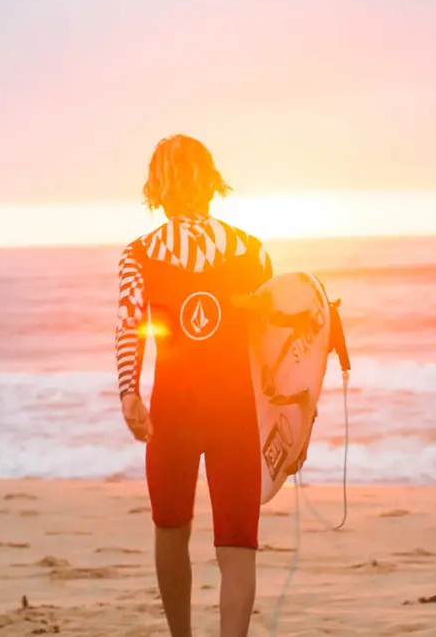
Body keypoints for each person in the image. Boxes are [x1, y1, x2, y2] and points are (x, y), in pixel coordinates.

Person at [116, 134, 273, 637]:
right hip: (237, 416)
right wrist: (286, 422)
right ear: (212, 183)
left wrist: (128, 391)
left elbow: (131, 327)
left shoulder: (140, 254)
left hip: (174, 411)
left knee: (170, 528)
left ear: (155, 188)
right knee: (237, 544)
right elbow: (271, 344)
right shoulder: (251, 250)